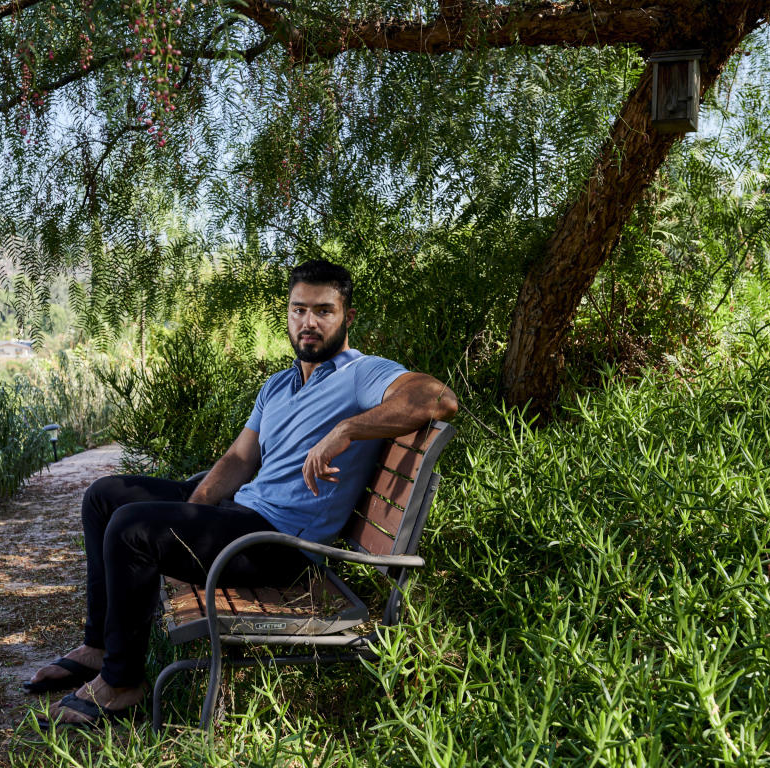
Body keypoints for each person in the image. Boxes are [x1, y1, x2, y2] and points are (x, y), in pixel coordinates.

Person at [26, 259, 458, 726]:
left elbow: (438, 399)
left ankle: (122, 682)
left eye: (323, 311)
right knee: (107, 495)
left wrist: (347, 429)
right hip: (242, 514)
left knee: (132, 530)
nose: (308, 322)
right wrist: (189, 515)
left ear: (347, 317)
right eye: (298, 310)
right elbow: (238, 460)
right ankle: (98, 647)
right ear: (287, 314)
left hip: (279, 545)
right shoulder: (279, 384)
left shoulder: (362, 374)